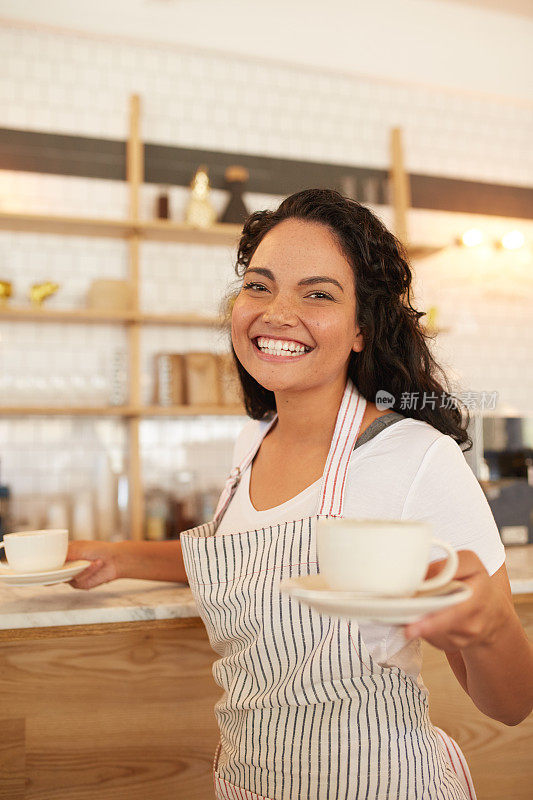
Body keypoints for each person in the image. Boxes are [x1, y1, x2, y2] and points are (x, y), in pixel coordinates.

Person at [68, 189, 533, 800]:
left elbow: (512, 705)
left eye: (318, 293)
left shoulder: (418, 458)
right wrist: (122, 556)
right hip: (247, 783)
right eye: (259, 286)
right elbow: (245, 558)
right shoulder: (251, 444)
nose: (277, 312)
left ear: (363, 327)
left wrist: (493, 626)